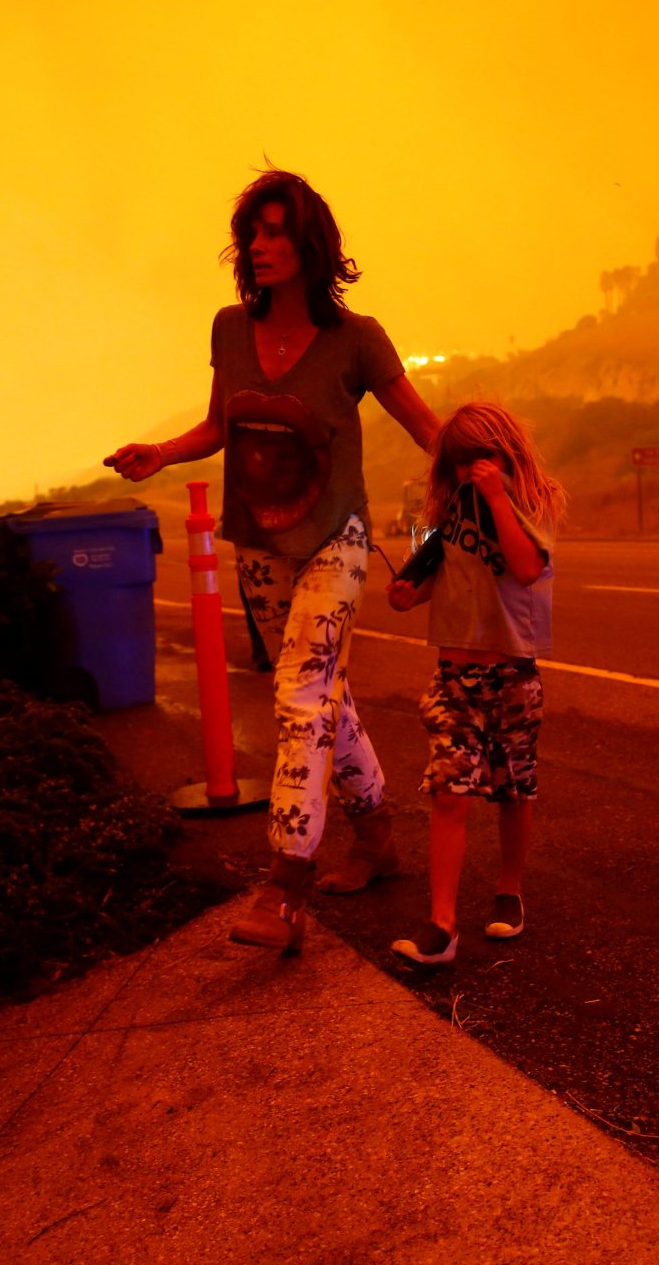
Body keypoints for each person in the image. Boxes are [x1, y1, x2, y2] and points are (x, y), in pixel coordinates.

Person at [105, 168, 440, 952]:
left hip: (337, 540)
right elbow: (221, 424)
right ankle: (379, 839)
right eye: (252, 232)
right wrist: (161, 452)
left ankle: (285, 885)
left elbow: (430, 431)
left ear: (310, 245)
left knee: (300, 693)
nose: (258, 246)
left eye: (276, 231)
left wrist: (481, 485)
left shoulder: (358, 341)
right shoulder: (230, 328)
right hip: (259, 546)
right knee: (324, 698)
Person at [384, 402, 566, 965]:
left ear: (507, 454)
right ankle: (441, 925)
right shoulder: (446, 516)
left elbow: (526, 567)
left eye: (482, 457)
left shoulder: (531, 504)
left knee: (514, 790)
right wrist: (411, 592)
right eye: (460, 461)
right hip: (454, 676)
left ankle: (509, 890)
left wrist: (495, 497)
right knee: (448, 791)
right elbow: (439, 573)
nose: (471, 470)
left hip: (512, 672)